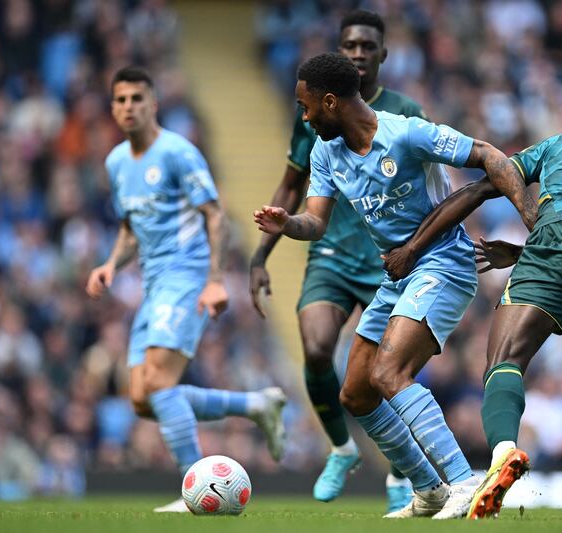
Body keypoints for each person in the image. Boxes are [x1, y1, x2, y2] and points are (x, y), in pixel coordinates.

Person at [254, 52, 524, 519]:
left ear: (331, 101)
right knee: (356, 393)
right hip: (396, 273)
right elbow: (315, 222)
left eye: (306, 106)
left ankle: (463, 483)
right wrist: (287, 223)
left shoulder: (406, 132)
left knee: (389, 374)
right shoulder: (325, 151)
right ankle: (429, 490)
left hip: (444, 263)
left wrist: (530, 216)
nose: (304, 115)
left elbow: (488, 155)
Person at [382, 124, 562, 521]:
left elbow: (488, 186)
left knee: (506, 357)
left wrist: (414, 247)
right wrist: (527, 253)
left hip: (560, 235)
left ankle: (503, 453)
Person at [86, 66, 287, 513]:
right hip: (153, 282)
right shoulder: (117, 162)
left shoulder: (178, 153)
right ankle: (257, 405)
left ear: (153, 104)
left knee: (159, 383)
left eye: (137, 98)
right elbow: (130, 227)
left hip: (187, 275)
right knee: (141, 399)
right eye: (120, 100)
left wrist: (215, 280)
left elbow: (214, 215)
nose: (128, 107)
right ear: (113, 106)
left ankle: (193, 487)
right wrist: (109, 264)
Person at [249, 10, 425, 512]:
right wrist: (261, 254)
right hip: (330, 251)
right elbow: (291, 185)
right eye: (350, 44)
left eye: (368, 45)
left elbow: (434, 189)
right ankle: (342, 449)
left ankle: (399, 473)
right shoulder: (314, 114)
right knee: (317, 346)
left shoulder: (405, 112)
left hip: (389, 260)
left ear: (382, 55)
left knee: (388, 370)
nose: (358, 52)